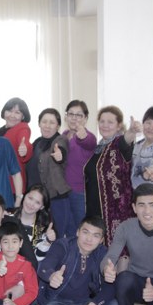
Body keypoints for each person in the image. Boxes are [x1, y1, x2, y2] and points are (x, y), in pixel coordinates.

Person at [36, 216, 120, 305]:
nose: (89, 239)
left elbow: (110, 287)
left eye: (95, 236)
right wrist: (51, 276)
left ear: (101, 240)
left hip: (86, 302)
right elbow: (44, 267)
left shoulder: (102, 253)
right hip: (57, 301)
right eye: (85, 232)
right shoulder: (63, 245)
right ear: (77, 232)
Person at [83, 105, 141, 246]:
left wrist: (132, 131)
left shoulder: (118, 144)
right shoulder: (98, 148)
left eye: (110, 122)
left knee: (117, 250)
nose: (105, 125)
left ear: (119, 125)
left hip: (116, 211)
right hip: (95, 210)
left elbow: (126, 141)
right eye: (102, 121)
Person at [25, 108, 72, 238]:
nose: (47, 125)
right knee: (38, 238)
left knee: (57, 235)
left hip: (55, 199)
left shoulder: (60, 140)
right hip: (37, 201)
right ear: (39, 124)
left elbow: (61, 150)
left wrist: (60, 155)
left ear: (58, 126)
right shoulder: (37, 142)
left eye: (52, 122)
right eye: (44, 121)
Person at [62, 100, 96, 234]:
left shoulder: (89, 136)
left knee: (81, 230)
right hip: (63, 192)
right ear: (66, 116)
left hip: (79, 193)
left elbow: (89, 142)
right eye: (71, 114)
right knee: (68, 230)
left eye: (79, 115)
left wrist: (83, 137)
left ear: (85, 118)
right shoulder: (64, 135)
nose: (74, 118)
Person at [0, 97, 33, 193]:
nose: (12, 115)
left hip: (13, 184)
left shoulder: (22, 128)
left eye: (17, 112)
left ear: (23, 116)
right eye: (9, 111)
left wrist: (25, 150)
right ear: (4, 112)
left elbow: (26, 143)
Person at [12, 184, 56, 262]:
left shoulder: (43, 227)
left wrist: (48, 242)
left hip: (27, 265)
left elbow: (38, 258)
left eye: (37, 202)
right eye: (30, 198)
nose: (31, 204)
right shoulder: (8, 216)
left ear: (42, 207)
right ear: (24, 196)